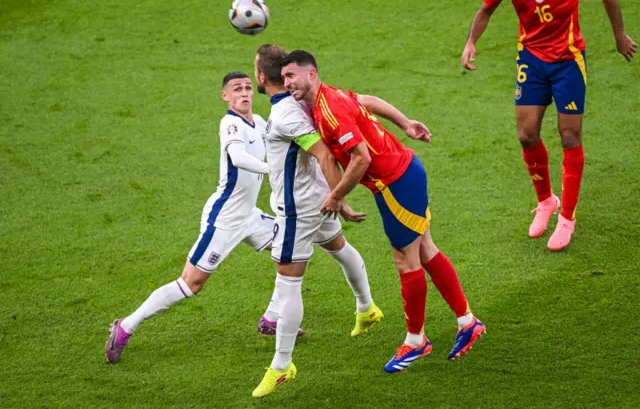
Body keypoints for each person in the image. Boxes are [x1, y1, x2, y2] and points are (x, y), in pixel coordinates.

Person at [280, 50, 486, 373]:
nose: (287, 82)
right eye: (283, 78)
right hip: (404, 172)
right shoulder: (326, 98)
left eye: (291, 76)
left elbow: (360, 158)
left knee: (407, 260)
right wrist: (405, 123)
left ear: (311, 74)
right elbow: (368, 100)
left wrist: (336, 197)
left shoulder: (329, 107)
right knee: (426, 251)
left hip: (395, 184)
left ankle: (417, 341)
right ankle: (467, 322)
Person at [105, 71, 299, 364]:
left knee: (292, 252)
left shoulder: (259, 123)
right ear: (225, 96)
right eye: (237, 89)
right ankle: (125, 326)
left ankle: (272, 318)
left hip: (251, 215)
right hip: (224, 219)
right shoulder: (230, 123)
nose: (245, 93)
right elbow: (238, 158)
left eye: (248, 88)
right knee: (191, 284)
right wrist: (272, 168)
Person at [461, 0, 636, 250]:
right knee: (526, 135)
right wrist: (470, 42)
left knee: (569, 136)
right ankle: (546, 201)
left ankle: (567, 217)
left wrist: (619, 35)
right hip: (531, 60)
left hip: (568, 60)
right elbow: (486, 9)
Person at [251, 44, 383, 397]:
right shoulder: (300, 103)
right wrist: (334, 197)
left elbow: (323, 153)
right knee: (340, 248)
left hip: (299, 208)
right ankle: (366, 307)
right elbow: (364, 101)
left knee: (288, 279)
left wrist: (340, 197)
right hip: (316, 199)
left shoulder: (285, 115)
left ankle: (282, 365)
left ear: (262, 77)